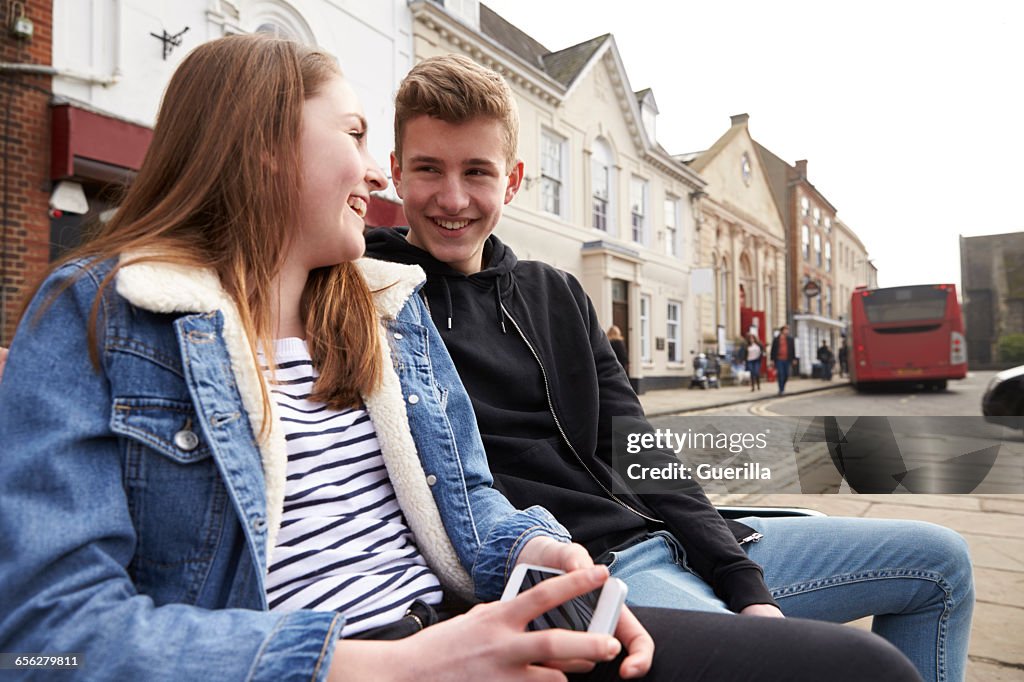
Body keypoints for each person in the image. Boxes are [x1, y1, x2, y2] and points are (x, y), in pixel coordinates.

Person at [0, 35, 925, 682]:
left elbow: (529, 479)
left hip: (540, 592)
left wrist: (545, 550)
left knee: (883, 637)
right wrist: (404, 664)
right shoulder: (101, 315)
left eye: (478, 173)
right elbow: (49, 638)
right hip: (388, 648)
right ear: (263, 146)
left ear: (512, 183)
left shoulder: (390, 309)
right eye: (370, 145)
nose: (394, 187)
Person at [365, 53, 971, 682]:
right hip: (595, 568)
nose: (452, 198)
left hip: (670, 535)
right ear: (395, 174)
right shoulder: (371, 297)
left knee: (941, 563)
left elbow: (636, 447)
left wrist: (741, 579)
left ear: (514, 180)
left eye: (478, 172)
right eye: (429, 169)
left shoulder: (557, 293)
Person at [769, 325, 796, 394]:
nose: (787, 331)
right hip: (779, 359)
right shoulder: (776, 339)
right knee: (781, 374)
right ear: (782, 331)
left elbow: (793, 350)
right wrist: (772, 360)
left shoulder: (790, 339)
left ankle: (782, 386)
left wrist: (794, 359)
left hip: (787, 359)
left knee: (786, 374)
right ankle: (781, 389)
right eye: (786, 330)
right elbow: (773, 350)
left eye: (788, 330)